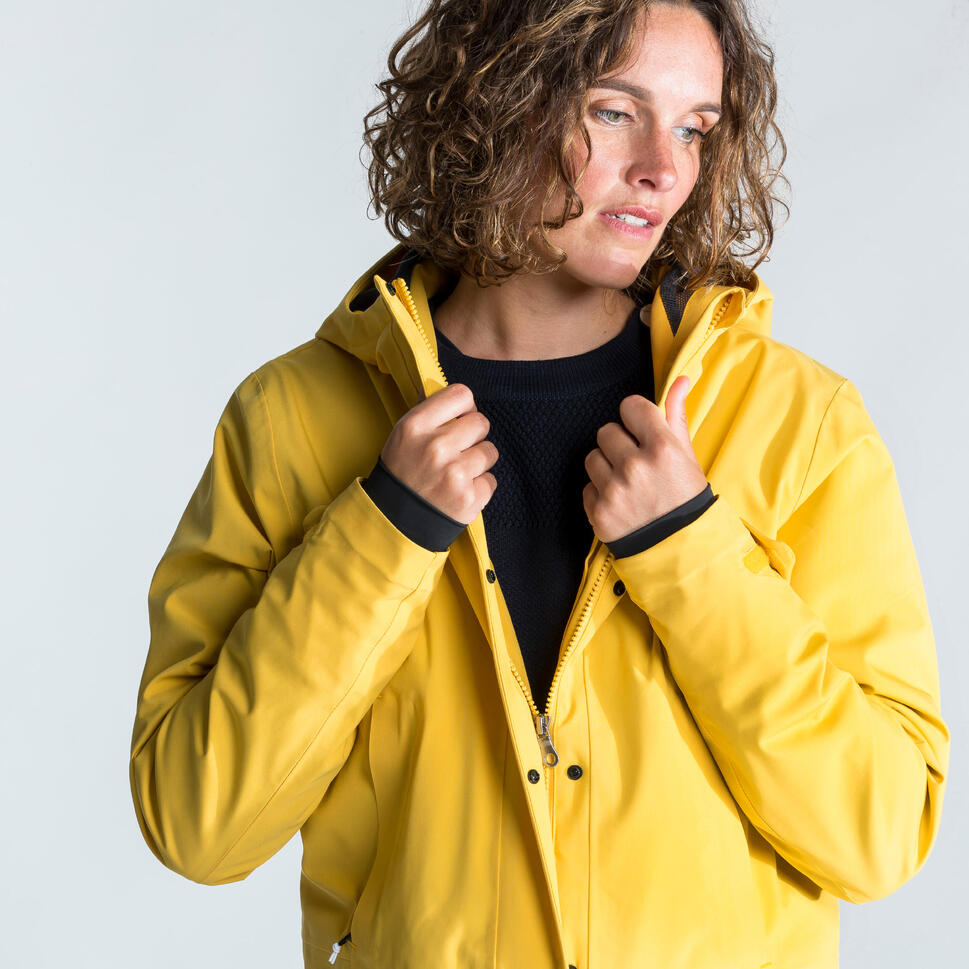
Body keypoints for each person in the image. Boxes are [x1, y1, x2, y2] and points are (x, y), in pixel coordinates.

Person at [128, 1, 950, 966]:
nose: (664, 167)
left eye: (694, 128)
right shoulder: (293, 419)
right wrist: (383, 529)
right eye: (614, 111)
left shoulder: (798, 422)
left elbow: (877, 835)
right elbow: (199, 826)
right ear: (494, 97)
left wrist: (690, 552)